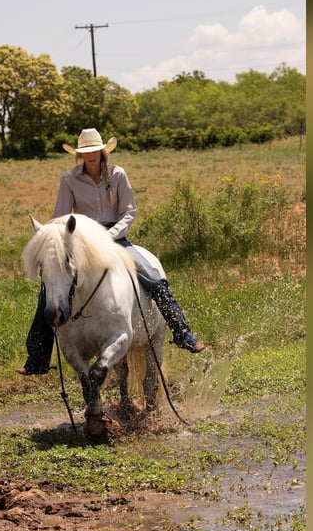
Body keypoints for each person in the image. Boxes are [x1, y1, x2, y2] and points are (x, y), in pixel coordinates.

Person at [17, 128, 205, 375]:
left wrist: (108, 235)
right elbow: (61, 217)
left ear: (102, 151)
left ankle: (182, 333)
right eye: (85, 152)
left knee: (154, 279)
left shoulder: (117, 174)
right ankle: (38, 356)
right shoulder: (69, 179)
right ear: (79, 155)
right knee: (49, 290)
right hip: (82, 242)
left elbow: (129, 212)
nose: (91, 155)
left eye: (94, 151)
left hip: (115, 238)